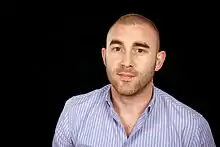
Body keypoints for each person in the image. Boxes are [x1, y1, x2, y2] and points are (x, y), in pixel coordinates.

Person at [52, 13, 216, 147]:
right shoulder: (74, 112)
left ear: (158, 61)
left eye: (139, 50)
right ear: (104, 56)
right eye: (117, 48)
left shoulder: (192, 127)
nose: (126, 62)